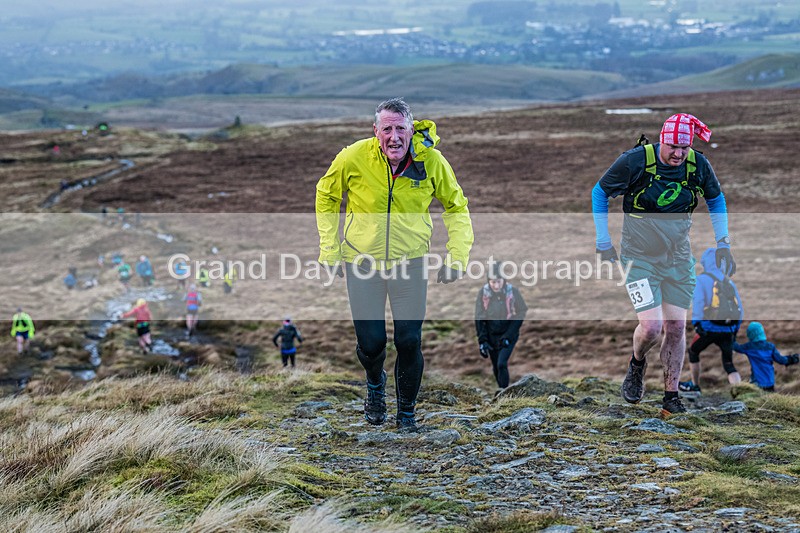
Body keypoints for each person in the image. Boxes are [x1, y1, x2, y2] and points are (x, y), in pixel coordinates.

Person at [315, 97, 474, 431]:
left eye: (400, 128)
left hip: (410, 263)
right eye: (386, 129)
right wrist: (329, 250)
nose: (394, 136)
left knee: (409, 340)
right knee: (372, 344)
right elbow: (326, 195)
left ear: (411, 129)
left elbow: (456, 207)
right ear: (376, 132)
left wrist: (457, 255)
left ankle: (406, 415)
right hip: (362, 263)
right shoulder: (353, 157)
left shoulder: (430, 161)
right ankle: (375, 384)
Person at [592, 113, 736, 417]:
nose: (678, 154)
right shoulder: (635, 161)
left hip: (678, 259)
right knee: (652, 327)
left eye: (684, 148)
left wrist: (723, 243)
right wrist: (604, 242)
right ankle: (637, 364)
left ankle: (671, 396)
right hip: (638, 259)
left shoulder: (697, 165)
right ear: (662, 139)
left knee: (676, 327)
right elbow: (600, 192)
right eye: (672, 146)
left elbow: (717, 199)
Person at [679, 247, 744, 393]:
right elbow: (739, 308)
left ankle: (695, 386)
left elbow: (699, 303)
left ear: (705, 263)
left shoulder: (701, 280)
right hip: (728, 329)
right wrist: (735, 329)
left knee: (693, 351)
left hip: (709, 328)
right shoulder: (728, 282)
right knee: (729, 364)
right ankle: (740, 392)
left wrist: (697, 324)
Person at [475, 261, 529, 390]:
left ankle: (504, 392)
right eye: (493, 282)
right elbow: (479, 317)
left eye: (498, 281)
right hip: (491, 335)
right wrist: (482, 341)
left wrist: (509, 335)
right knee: (495, 366)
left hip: (508, 334)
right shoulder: (483, 293)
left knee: (501, 364)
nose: (496, 285)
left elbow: (522, 311)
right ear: (489, 281)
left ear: (504, 280)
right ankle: (502, 392)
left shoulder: (512, 292)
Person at [733, 322, 799, 392]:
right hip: (769, 381)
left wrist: (730, 335)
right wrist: (793, 359)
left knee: (756, 400)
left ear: (750, 334)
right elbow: (781, 360)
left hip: (756, 382)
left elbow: (735, 347)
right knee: (769, 400)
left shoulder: (748, 347)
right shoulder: (770, 347)